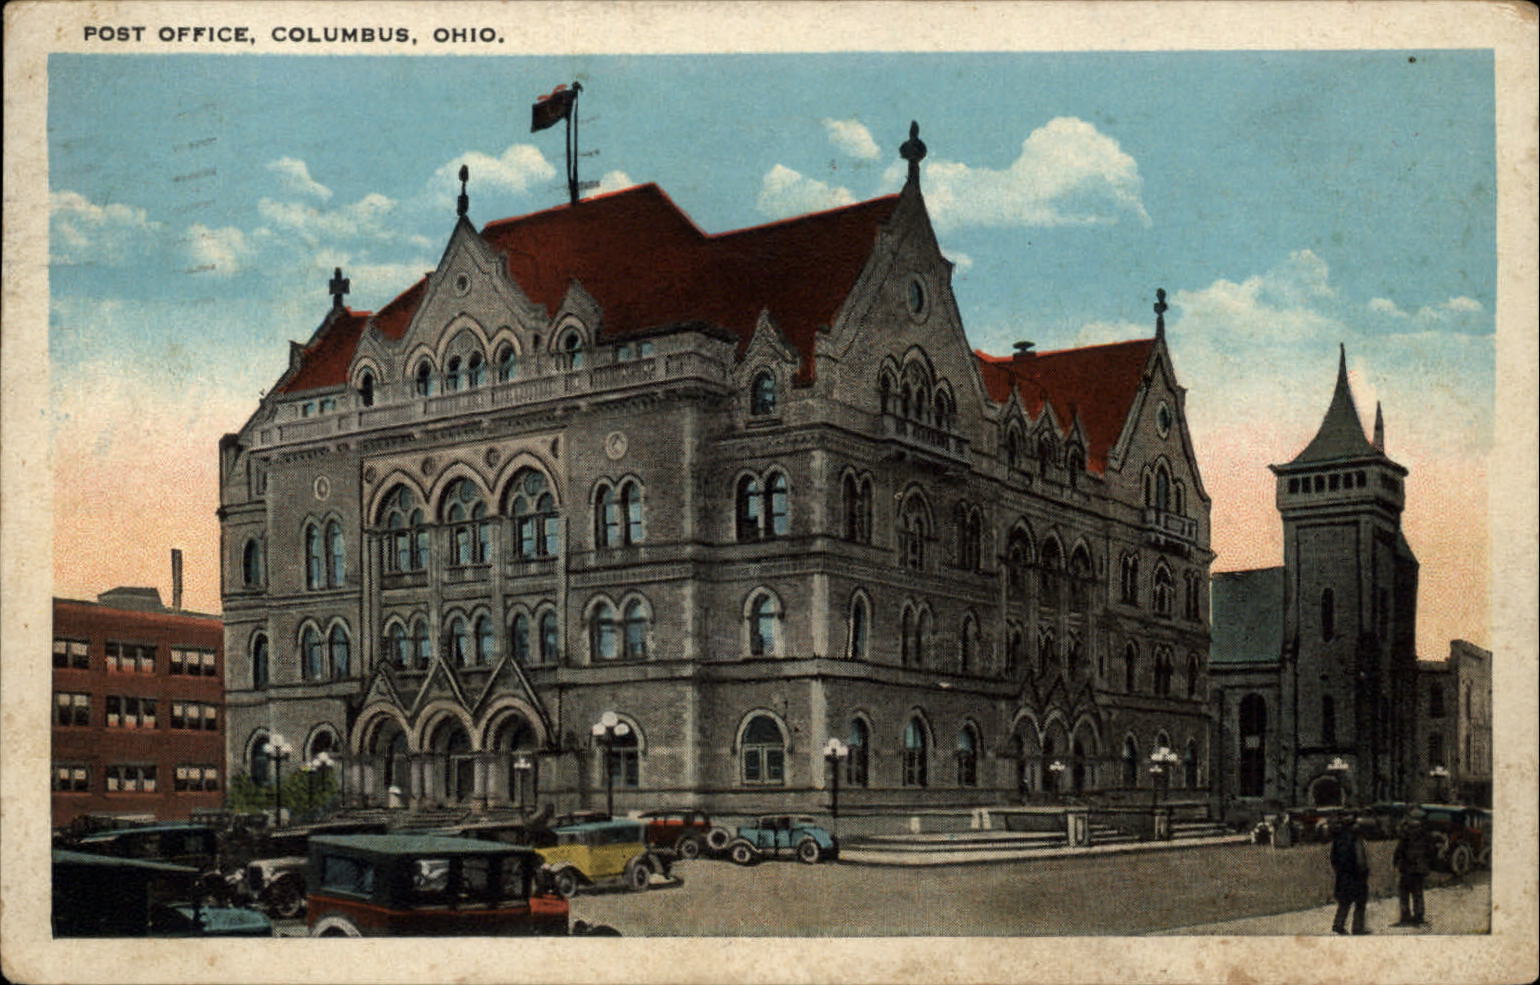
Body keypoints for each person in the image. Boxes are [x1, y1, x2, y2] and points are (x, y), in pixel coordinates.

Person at [1329, 811, 1372, 934]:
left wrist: (1338, 870)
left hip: (1342, 874)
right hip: (1356, 875)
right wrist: (1364, 871)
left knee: (1344, 901)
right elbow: (1360, 859)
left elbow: (1333, 857)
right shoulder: (1355, 838)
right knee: (1360, 902)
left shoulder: (1338, 838)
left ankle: (1338, 923)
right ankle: (1358, 927)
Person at [1393, 809, 1433, 926]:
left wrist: (1395, 861)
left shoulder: (1406, 834)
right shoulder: (1426, 834)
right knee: (1418, 893)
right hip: (1419, 869)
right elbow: (1430, 851)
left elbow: (1399, 850)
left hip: (1407, 868)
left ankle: (1405, 916)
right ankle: (1419, 916)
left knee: (1404, 892)